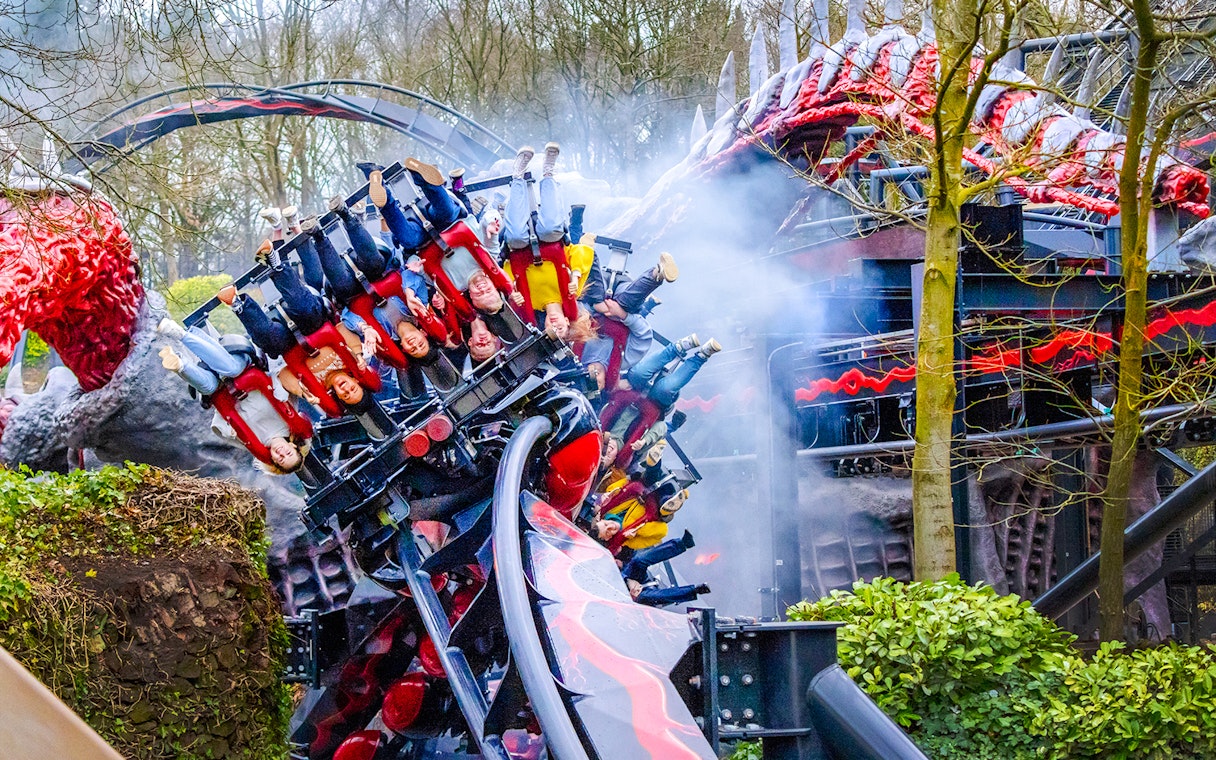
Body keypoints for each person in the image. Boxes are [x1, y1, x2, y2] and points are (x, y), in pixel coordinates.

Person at [155, 319, 309, 474]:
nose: (281, 453)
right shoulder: (290, 421)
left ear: (273, 461)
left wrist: (228, 430)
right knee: (232, 369)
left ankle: (179, 365)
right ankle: (180, 334)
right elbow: (279, 377)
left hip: (221, 388)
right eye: (288, 453)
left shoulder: (252, 444)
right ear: (293, 446)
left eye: (281, 459)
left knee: (208, 387)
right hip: (243, 367)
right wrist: (284, 392)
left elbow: (219, 424)